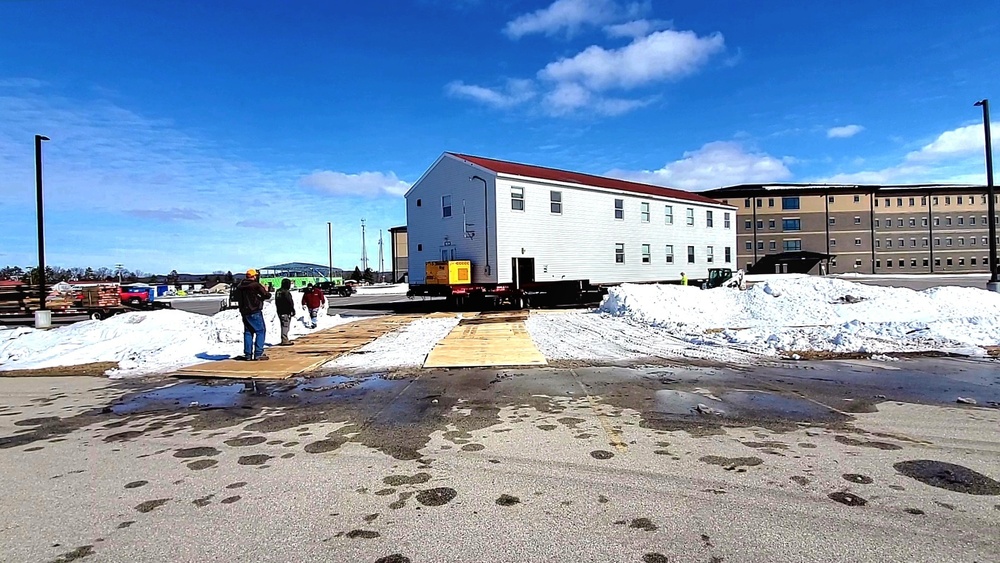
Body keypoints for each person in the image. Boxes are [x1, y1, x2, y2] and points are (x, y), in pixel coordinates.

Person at [235, 268, 272, 360]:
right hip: (255, 310)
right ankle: (258, 353)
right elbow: (266, 295)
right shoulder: (255, 285)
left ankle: (248, 354)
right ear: (254, 276)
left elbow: (236, 297)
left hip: (244, 311)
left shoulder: (240, 286)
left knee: (248, 332)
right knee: (260, 331)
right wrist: (266, 290)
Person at [275, 278, 295, 346]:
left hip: (280, 310)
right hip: (286, 311)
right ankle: (284, 339)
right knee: (285, 326)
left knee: (283, 325)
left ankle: (284, 338)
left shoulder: (278, 291)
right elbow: (289, 302)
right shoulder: (286, 292)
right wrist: (292, 310)